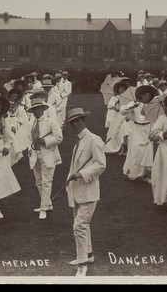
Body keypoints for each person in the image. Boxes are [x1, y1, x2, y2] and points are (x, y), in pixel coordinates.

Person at [65, 108, 106, 276]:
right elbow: (76, 164)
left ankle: (82, 263)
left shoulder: (94, 139)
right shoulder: (79, 141)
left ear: (83, 120)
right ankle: (88, 255)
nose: (75, 124)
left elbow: (101, 165)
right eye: (72, 122)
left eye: (78, 120)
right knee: (83, 224)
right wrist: (71, 177)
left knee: (79, 225)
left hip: (89, 191)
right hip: (77, 190)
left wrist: (81, 174)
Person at [26, 98, 63, 220]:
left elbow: (59, 138)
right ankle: (47, 204)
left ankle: (43, 208)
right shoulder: (32, 123)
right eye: (34, 109)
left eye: (38, 108)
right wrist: (30, 149)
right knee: (39, 182)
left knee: (47, 182)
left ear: (43, 109)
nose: (36, 111)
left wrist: (45, 141)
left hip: (48, 155)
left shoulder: (51, 122)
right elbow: (29, 139)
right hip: (35, 155)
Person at [120, 85, 158, 183]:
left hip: (147, 130)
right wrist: (132, 107)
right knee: (136, 152)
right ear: (142, 95)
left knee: (148, 153)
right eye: (145, 95)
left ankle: (146, 175)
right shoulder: (134, 103)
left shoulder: (152, 106)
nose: (147, 97)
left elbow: (154, 120)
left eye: (149, 95)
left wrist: (153, 132)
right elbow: (122, 111)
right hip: (137, 129)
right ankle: (133, 174)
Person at [5, 88, 30, 166]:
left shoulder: (19, 106)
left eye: (16, 96)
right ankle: (10, 157)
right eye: (13, 95)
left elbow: (20, 116)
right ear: (10, 96)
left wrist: (19, 122)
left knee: (16, 140)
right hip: (8, 121)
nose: (14, 97)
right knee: (10, 138)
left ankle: (15, 157)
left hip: (15, 122)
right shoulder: (6, 104)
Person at [104, 81, 128, 155]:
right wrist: (115, 102)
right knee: (115, 132)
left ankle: (125, 149)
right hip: (117, 115)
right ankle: (118, 148)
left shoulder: (127, 98)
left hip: (125, 116)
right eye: (120, 88)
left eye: (123, 89)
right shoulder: (114, 98)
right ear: (118, 90)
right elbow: (109, 106)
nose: (121, 90)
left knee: (125, 131)